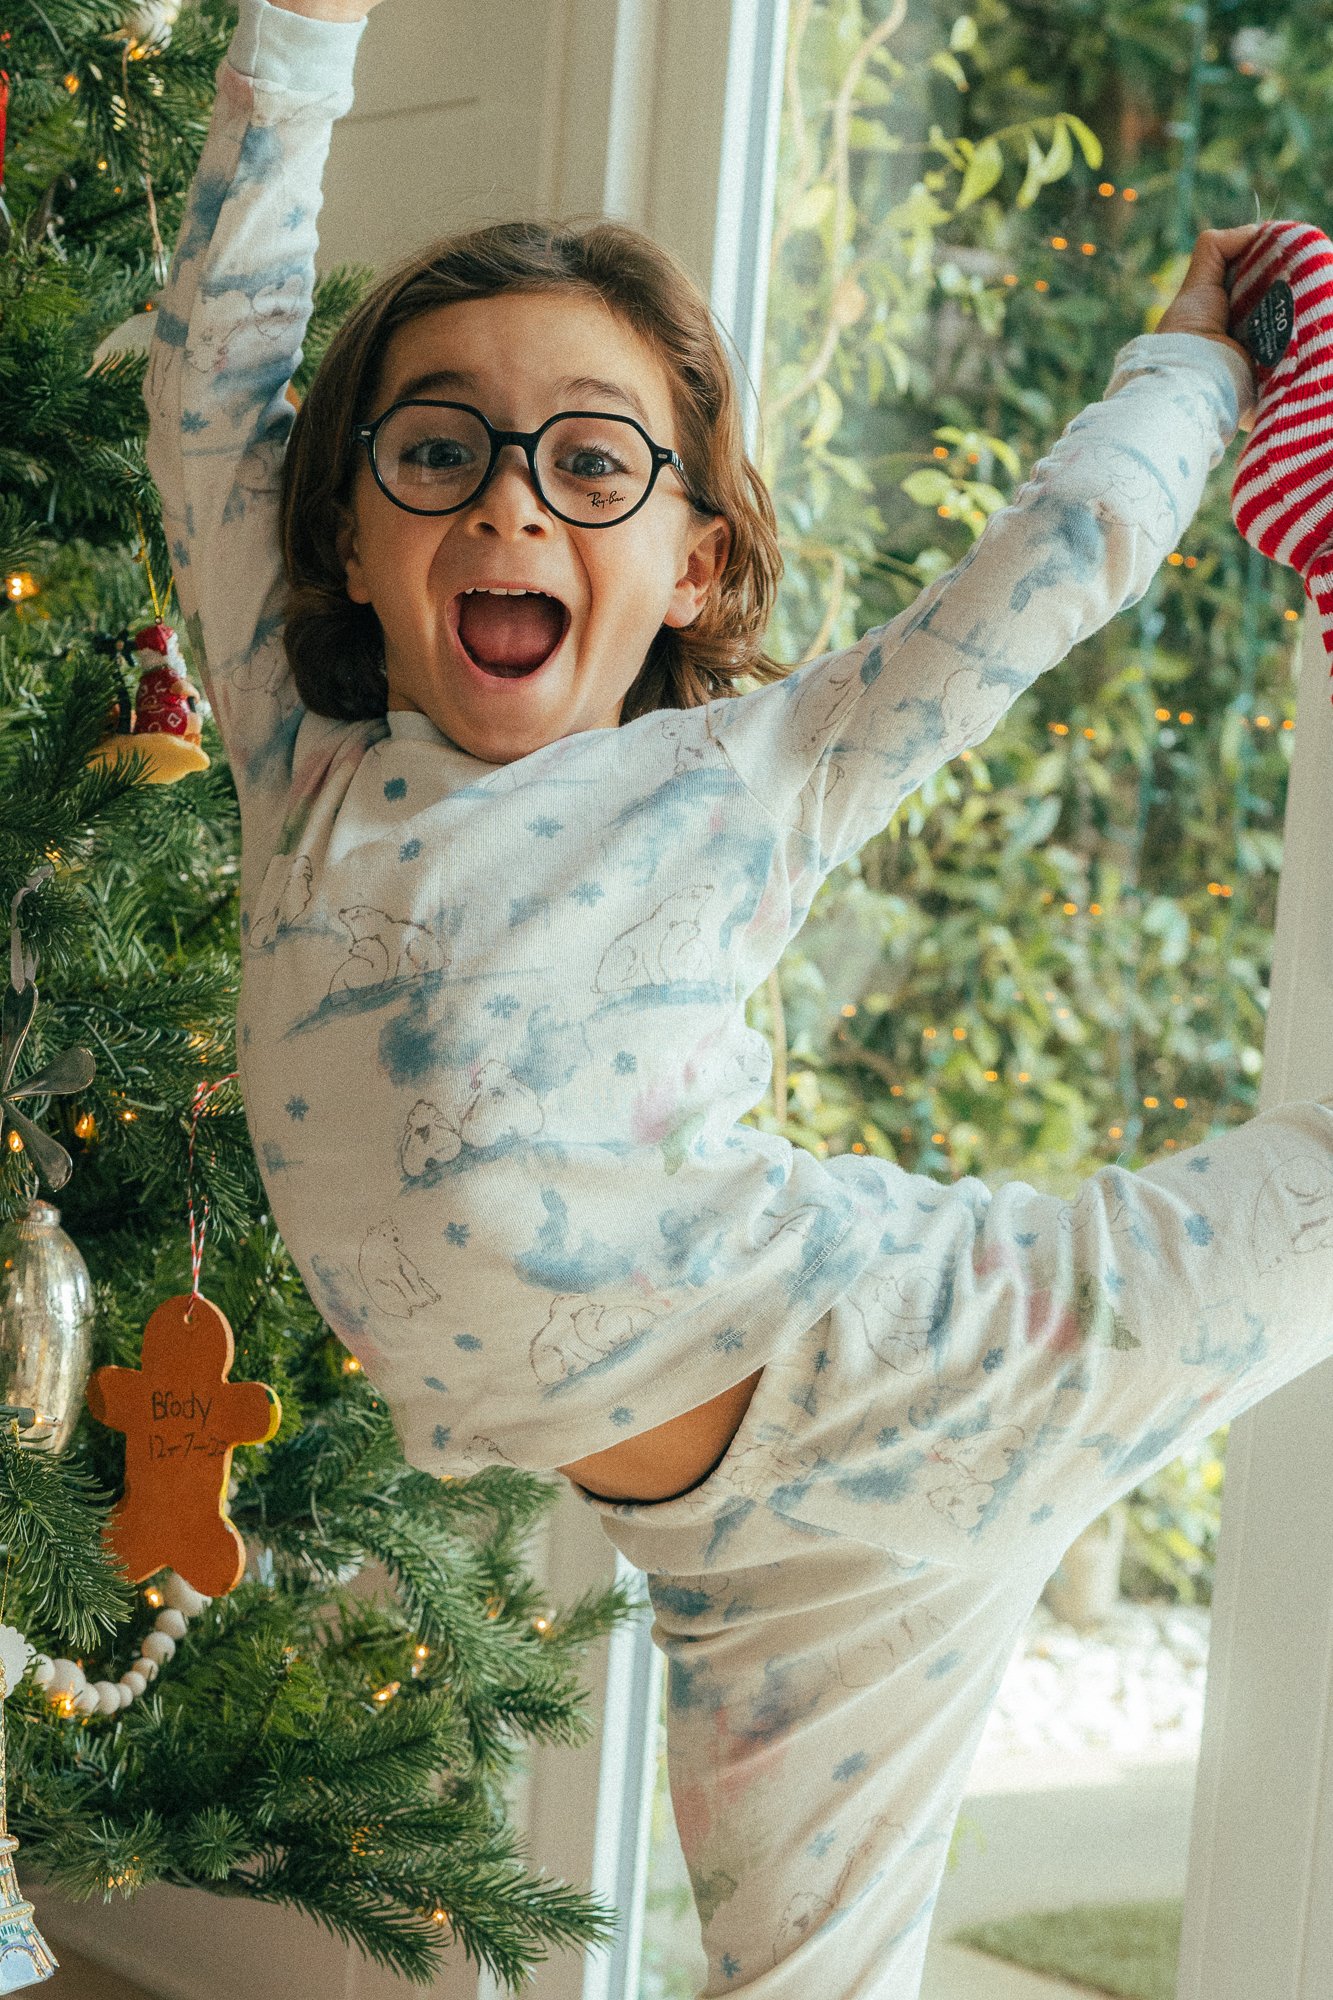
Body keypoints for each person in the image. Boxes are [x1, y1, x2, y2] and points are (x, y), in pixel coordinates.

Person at [144, 0, 1333, 1992]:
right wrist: (303, 29)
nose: (512, 504)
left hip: (958, 1346)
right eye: (441, 452)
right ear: (345, 532)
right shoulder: (307, 757)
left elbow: (1036, 577)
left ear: (691, 562)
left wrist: (1194, 362)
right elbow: (216, 362)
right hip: (752, 1581)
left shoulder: (739, 781)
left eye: (589, 465)